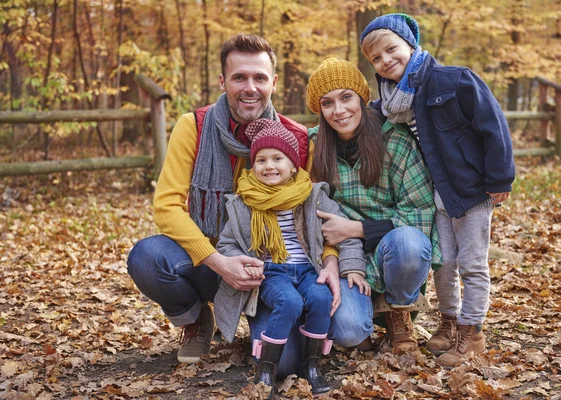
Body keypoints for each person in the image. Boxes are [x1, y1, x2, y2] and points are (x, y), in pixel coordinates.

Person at [126, 33, 373, 375]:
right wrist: (219, 262)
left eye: (259, 78)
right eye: (239, 77)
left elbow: (320, 212)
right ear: (222, 80)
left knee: (292, 360)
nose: (250, 87)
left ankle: (290, 319)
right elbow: (167, 206)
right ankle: (197, 320)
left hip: (275, 270)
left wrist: (330, 261)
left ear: (273, 81)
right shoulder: (194, 127)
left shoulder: (297, 139)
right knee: (148, 257)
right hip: (214, 263)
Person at [360, 13, 515, 368]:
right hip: (436, 195)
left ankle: (471, 332)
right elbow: (359, 120)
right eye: (376, 59)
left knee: (472, 264)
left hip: (471, 190)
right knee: (443, 263)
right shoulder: (389, 103)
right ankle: (448, 323)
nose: (386, 61)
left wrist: (500, 179)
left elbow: (493, 125)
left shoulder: (453, 80)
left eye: (391, 49)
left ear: (410, 44)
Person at [215, 118, 369, 396]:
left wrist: (351, 267)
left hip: (308, 268)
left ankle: (312, 366)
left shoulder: (312, 196)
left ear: (293, 165)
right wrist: (242, 262)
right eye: (261, 160)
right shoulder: (243, 202)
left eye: (277, 158)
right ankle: (266, 368)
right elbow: (227, 244)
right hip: (272, 271)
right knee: (289, 301)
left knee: (321, 298)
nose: (269, 166)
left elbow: (344, 234)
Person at [306, 58, 442, 353]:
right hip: (346, 259)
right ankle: (364, 314)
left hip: (394, 248)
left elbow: (419, 216)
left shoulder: (396, 140)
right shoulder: (313, 148)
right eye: (327, 103)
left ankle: (398, 313)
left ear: (361, 97)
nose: (339, 110)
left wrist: (355, 228)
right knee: (349, 332)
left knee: (409, 243)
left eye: (346, 98)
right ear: (319, 109)